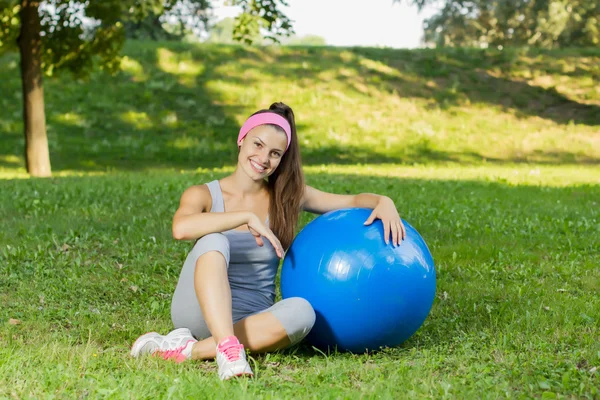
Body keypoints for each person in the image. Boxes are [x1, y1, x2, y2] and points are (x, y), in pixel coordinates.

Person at [130, 102, 406, 380]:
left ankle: (188, 350)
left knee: (303, 312)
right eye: (258, 145)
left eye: (275, 153)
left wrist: (384, 201)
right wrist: (245, 217)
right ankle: (226, 348)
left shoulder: (287, 197)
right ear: (242, 139)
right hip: (197, 314)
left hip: (252, 320)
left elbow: (352, 201)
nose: (263, 158)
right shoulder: (202, 194)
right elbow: (181, 228)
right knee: (213, 239)